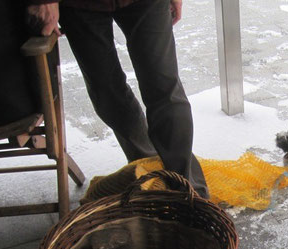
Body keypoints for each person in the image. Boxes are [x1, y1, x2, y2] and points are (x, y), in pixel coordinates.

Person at [26, 0, 209, 198]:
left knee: (164, 87)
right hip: (79, 6)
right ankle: (150, 171)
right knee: (106, 93)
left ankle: (191, 192)